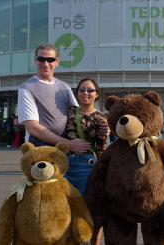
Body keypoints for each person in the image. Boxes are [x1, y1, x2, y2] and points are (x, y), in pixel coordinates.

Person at [18, 43, 109, 154]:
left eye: (50, 59)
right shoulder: (27, 88)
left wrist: (102, 127)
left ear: (57, 61)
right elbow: (33, 127)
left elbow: (79, 115)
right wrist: (68, 144)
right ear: (35, 60)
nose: (46, 64)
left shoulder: (64, 87)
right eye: (41, 59)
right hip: (41, 148)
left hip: (65, 150)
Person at [63, 78, 107, 245]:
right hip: (65, 164)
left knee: (88, 208)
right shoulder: (69, 111)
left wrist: (106, 133)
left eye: (90, 90)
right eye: (82, 90)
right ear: (77, 93)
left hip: (87, 165)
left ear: (97, 94)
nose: (85, 93)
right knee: (66, 207)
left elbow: (101, 148)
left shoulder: (101, 117)